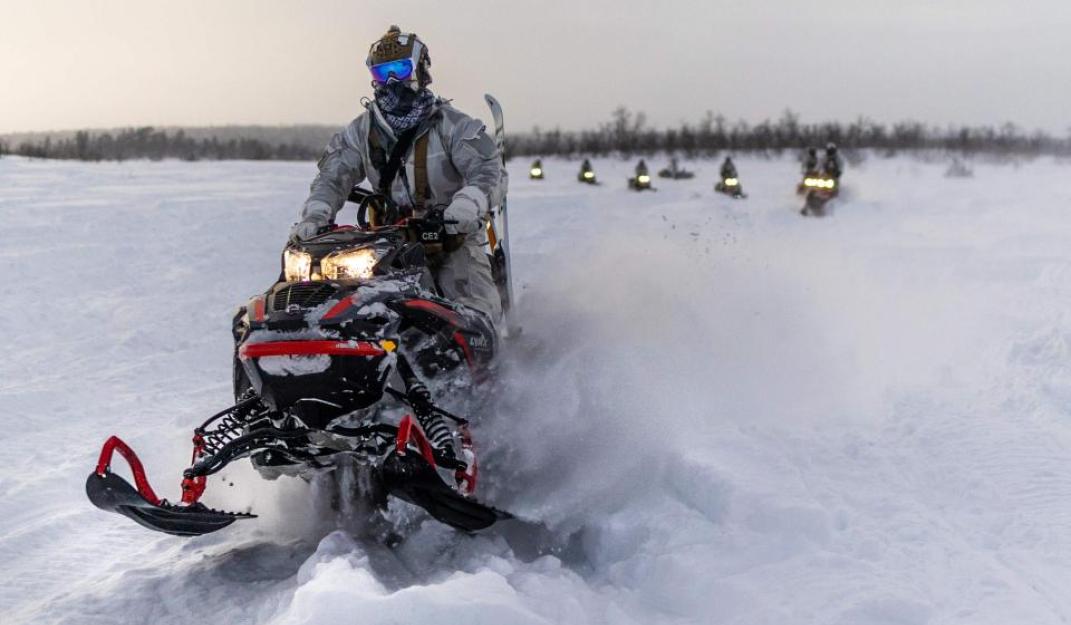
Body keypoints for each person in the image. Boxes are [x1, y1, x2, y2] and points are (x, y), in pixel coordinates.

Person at [290, 26, 507, 323]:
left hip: (450, 238)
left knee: (477, 313)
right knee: (345, 303)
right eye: (382, 73)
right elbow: (331, 178)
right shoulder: (359, 132)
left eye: (400, 70)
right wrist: (315, 215)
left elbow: (489, 171)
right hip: (388, 243)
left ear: (420, 70)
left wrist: (467, 205)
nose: (392, 81)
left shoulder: (454, 126)